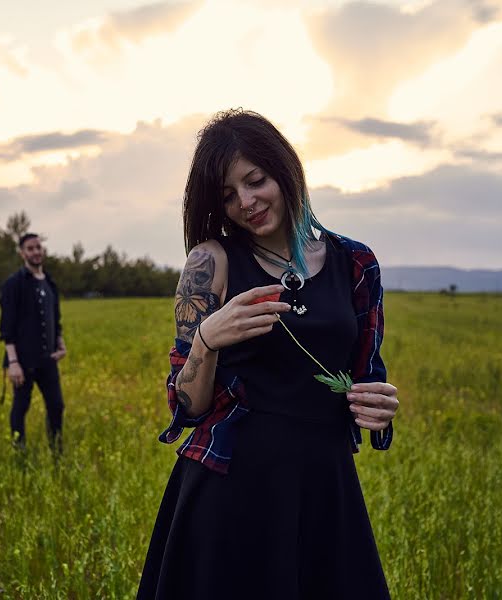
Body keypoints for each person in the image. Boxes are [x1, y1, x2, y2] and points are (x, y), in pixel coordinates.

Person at [137, 109, 400, 599]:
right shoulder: (209, 262)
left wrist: (381, 409)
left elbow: (368, 378)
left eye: (255, 181)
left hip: (324, 485)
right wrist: (207, 338)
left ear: (284, 169)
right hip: (232, 488)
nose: (247, 203)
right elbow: (187, 407)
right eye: (229, 196)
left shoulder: (356, 263)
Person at [0, 233, 67, 451]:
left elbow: (55, 319)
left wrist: (60, 342)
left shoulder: (49, 283)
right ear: (22, 253)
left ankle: (56, 451)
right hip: (22, 361)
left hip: (48, 360)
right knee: (21, 407)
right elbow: (6, 326)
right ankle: (19, 451)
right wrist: (13, 363)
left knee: (56, 406)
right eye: (30, 248)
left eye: (38, 247)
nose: (36, 251)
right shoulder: (13, 284)